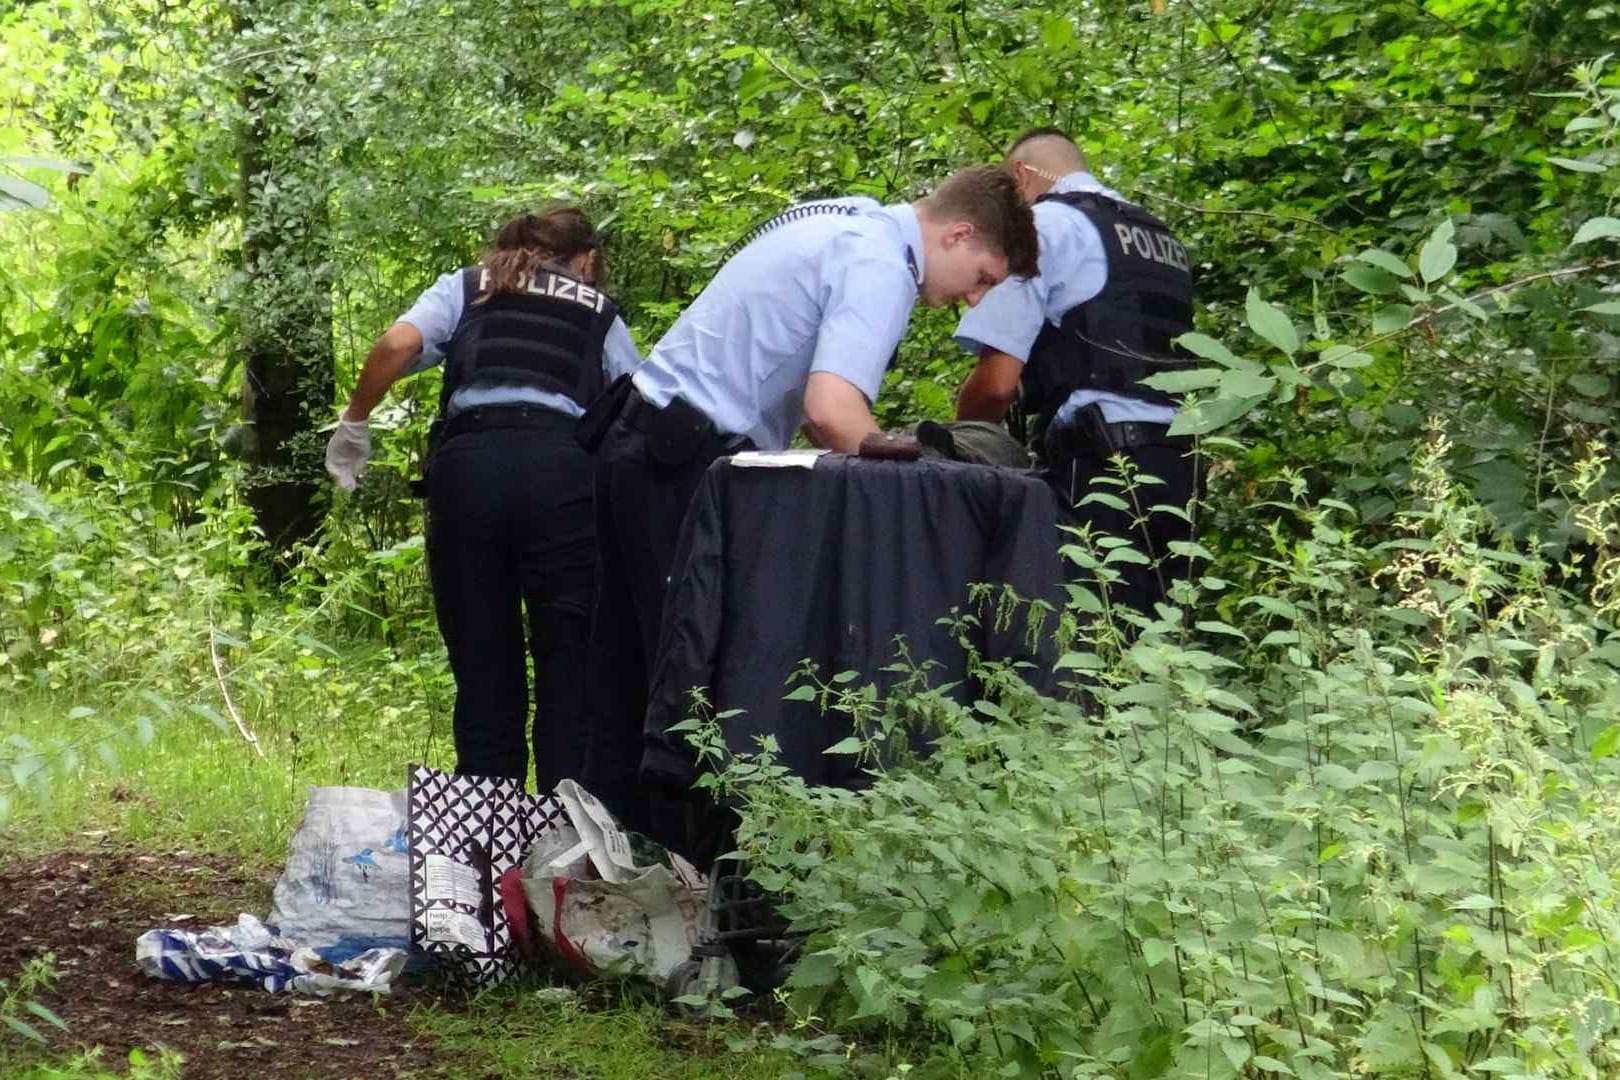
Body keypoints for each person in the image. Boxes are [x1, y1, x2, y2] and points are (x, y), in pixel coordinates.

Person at [582, 166, 1040, 836]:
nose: (971, 301)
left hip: (640, 437)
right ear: (957, 234)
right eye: (981, 278)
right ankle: (674, 887)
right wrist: (908, 473)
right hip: (679, 464)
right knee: (686, 691)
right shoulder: (881, 264)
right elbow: (832, 410)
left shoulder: (842, 218)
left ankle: (594, 873)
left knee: (623, 682)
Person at [323, 207, 642, 790]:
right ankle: (561, 847)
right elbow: (636, 408)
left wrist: (355, 422)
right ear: (586, 261)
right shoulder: (601, 314)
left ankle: (488, 848)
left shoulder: (469, 287)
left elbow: (396, 345)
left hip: (470, 475)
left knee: (483, 669)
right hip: (562, 479)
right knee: (569, 671)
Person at [953, 128, 1200, 615]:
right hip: (1181, 462)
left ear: (1021, 176)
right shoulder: (1158, 236)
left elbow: (997, 383)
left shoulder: (1044, 226)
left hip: (1099, 464)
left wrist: (960, 442)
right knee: (1156, 629)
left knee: (1080, 633)